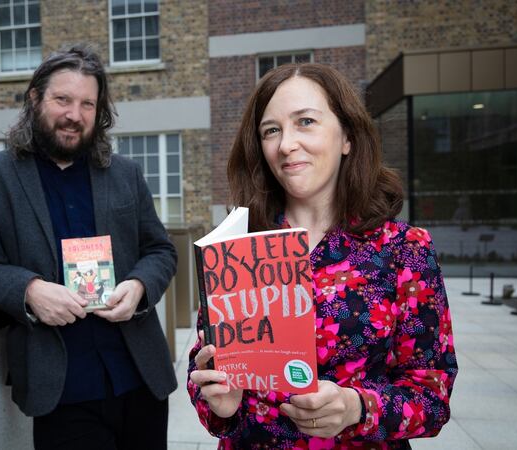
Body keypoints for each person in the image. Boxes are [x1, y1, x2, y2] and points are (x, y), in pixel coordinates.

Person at [188, 63, 457, 449]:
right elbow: (202, 366)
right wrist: (221, 404)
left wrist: (357, 408)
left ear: (347, 136)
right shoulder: (234, 248)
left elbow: (433, 395)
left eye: (306, 122)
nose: (285, 145)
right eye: (271, 130)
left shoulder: (404, 249)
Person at [0, 45, 177, 450]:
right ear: (34, 98)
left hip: (140, 377)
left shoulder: (126, 174)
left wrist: (139, 287)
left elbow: (161, 251)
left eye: (87, 104)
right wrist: (29, 290)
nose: (74, 115)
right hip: (60, 388)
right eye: (62, 99)